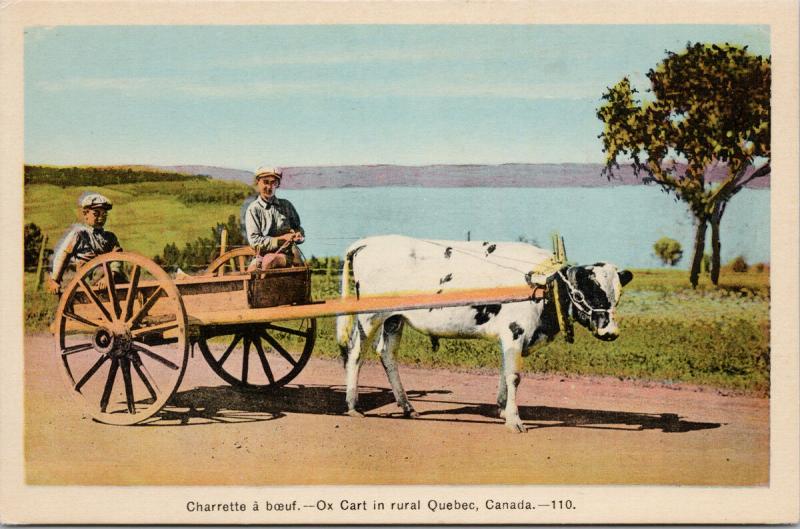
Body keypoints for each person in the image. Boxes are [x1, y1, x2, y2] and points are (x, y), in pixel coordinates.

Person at [46, 192, 123, 294]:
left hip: (109, 279)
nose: (101, 217)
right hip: (88, 281)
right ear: (85, 214)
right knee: (101, 271)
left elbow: (117, 258)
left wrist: (110, 276)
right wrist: (55, 280)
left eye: (104, 214)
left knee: (121, 278)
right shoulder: (79, 235)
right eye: (96, 214)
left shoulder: (110, 237)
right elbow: (63, 255)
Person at [244, 166, 305, 270]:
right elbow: (255, 241)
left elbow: (298, 228)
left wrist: (298, 235)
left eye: (273, 183)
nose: (269, 187)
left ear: (277, 184)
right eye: (266, 182)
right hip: (260, 256)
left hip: (287, 255)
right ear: (258, 182)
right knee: (252, 270)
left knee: (269, 260)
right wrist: (281, 239)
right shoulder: (253, 209)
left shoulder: (286, 205)